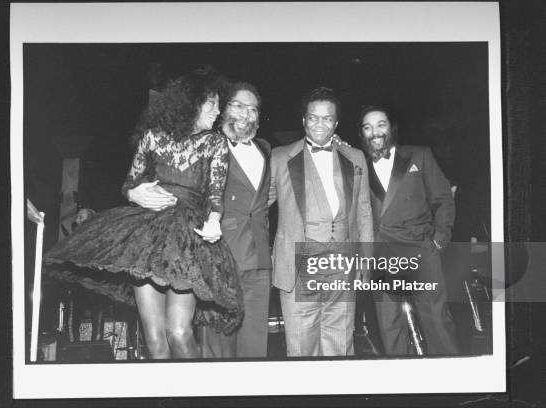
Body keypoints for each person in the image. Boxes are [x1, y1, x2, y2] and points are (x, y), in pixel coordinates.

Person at [44, 68, 243, 359]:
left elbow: (215, 192)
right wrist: (133, 193)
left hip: (185, 240)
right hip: (146, 239)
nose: (217, 110)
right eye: (211, 103)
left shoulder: (214, 142)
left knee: (178, 332)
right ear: (190, 103)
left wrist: (214, 221)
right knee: (154, 338)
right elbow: (129, 183)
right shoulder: (152, 138)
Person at [133, 81, 272, 358]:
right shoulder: (195, 142)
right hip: (212, 254)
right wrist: (133, 192)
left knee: (254, 349)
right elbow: (147, 180)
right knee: (213, 349)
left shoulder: (266, 149)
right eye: (238, 106)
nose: (247, 114)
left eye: (253, 109)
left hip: (255, 260)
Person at [269, 87, 373, 356]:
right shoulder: (280, 157)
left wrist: (366, 261)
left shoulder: (355, 157)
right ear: (303, 120)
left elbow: (363, 213)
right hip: (298, 261)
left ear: (336, 123)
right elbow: (256, 205)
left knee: (340, 341)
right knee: (303, 345)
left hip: (343, 262)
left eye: (327, 119)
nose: (319, 124)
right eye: (313, 117)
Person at [358, 105, 459, 355]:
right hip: (381, 256)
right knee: (389, 329)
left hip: (420, 251)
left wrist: (438, 240)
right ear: (362, 133)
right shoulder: (357, 164)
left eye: (381, 124)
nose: (375, 132)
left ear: (391, 127)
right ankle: (402, 385)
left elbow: (444, 199)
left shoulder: (419, 155)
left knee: (437, 323)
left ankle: (453, 384)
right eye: (368, 127)